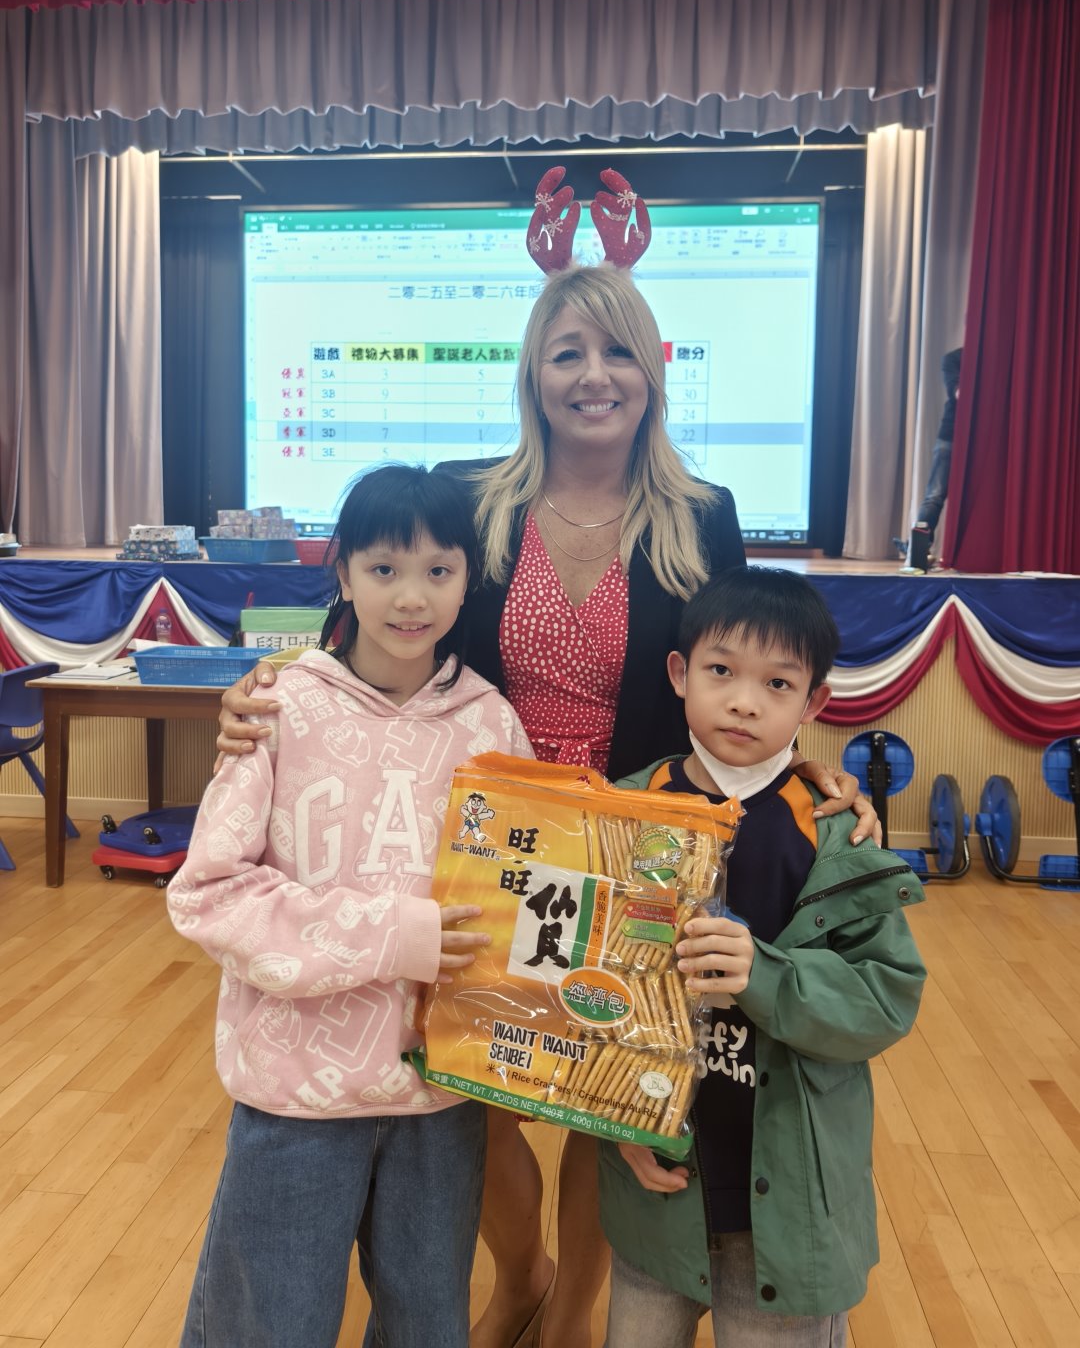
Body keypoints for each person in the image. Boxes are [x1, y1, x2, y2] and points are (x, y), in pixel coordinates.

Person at [217, 257, 879, 1348]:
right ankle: (522, 1272)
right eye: (568, 353)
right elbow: (371, 628)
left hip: (637, 836)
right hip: (483, 832)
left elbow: (744, 652)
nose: (593, 375)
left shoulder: (700, 512)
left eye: (618, 351)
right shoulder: (474, 494)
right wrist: (268, 688)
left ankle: (572, 1314)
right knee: (471, 1077)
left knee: (604, 1077)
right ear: (533, 374)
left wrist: (799, 761)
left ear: (652, 372)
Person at [166, 465, 532, 1348]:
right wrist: (396, 936)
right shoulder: (278, 708)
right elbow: (209, 892)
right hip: (295, 1094)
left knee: (426, 1323)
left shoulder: (493, 727)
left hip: (439, 1097)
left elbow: (517, 901)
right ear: (343, 575)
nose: (411, 597)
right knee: (271, 1324)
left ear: (468, 581)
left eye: (438, 571)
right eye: (383, 569)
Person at [600, 565, 926, 1348]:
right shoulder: (621, 812)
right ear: (680, 673)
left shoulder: (838, 828)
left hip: (787, 1199)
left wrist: (766, 975)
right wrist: (612, 1116)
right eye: (721, 671)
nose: (744, 701)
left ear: (814, 702)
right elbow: (581, 990)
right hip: (658, 1190)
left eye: (777, 683)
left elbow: (886, 996)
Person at [907, 347, 961, 573]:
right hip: (951, 435)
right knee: (935, 495)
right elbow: (958, 393)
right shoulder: (954, 359)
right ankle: (918, 552)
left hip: (983, 438)